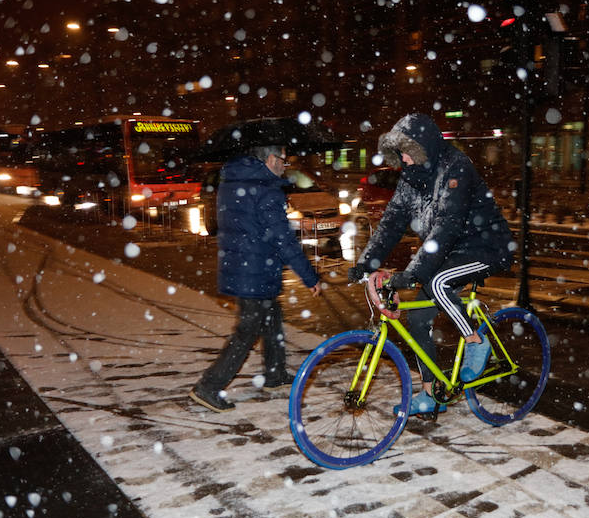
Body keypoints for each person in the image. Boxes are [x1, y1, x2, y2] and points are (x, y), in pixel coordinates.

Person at [347, 113, 514, 416]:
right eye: (401, 153)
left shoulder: (456, 169)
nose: (404, 158)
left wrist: (415, 274)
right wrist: (365, 263)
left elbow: (447, 227)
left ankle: (476, 341)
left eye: (409, 151)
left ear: (425, 147)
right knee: (418, 320)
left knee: (437, 282)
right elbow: (391, 223)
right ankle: (431, 394)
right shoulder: (411, 178)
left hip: (485, 247)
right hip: (449, 252)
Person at [189, 145, 322, 413]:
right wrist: (309, 276)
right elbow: (282, 239)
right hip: (255, 269)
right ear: (271, 159)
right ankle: (208, 386)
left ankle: (275, 374)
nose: (285, 165)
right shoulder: (266, 190)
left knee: (272, 318)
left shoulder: (233, 182)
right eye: (283, 160)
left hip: (243, 265)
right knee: (247, 331)